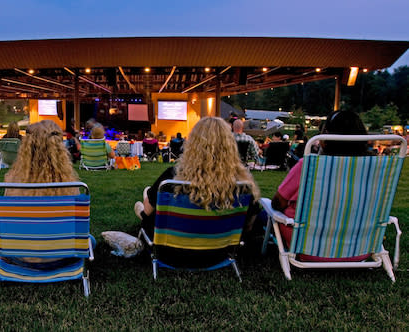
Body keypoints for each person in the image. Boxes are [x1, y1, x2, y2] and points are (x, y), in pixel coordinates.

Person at [133, 117, 261, 266]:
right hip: (220, 254)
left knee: (148, 200)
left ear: (193, 144)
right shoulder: (242, 185)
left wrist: (144, 207)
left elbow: (147, 212)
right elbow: (248, 225)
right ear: (230, 145)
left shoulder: (172, 178)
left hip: (170, 253)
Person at [271, 110, 370, 262]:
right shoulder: (373, 169)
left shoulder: (309, 166)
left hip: (309, 248)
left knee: (264, 213)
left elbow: (278, 202)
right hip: (359, 249)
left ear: (326, 137)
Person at [3, 120, 94, 264]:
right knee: (89, 239)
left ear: (26, 148)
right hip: (63, 256)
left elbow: (8, 225)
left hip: (21, 256)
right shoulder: (71, 186)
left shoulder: (13, 183)